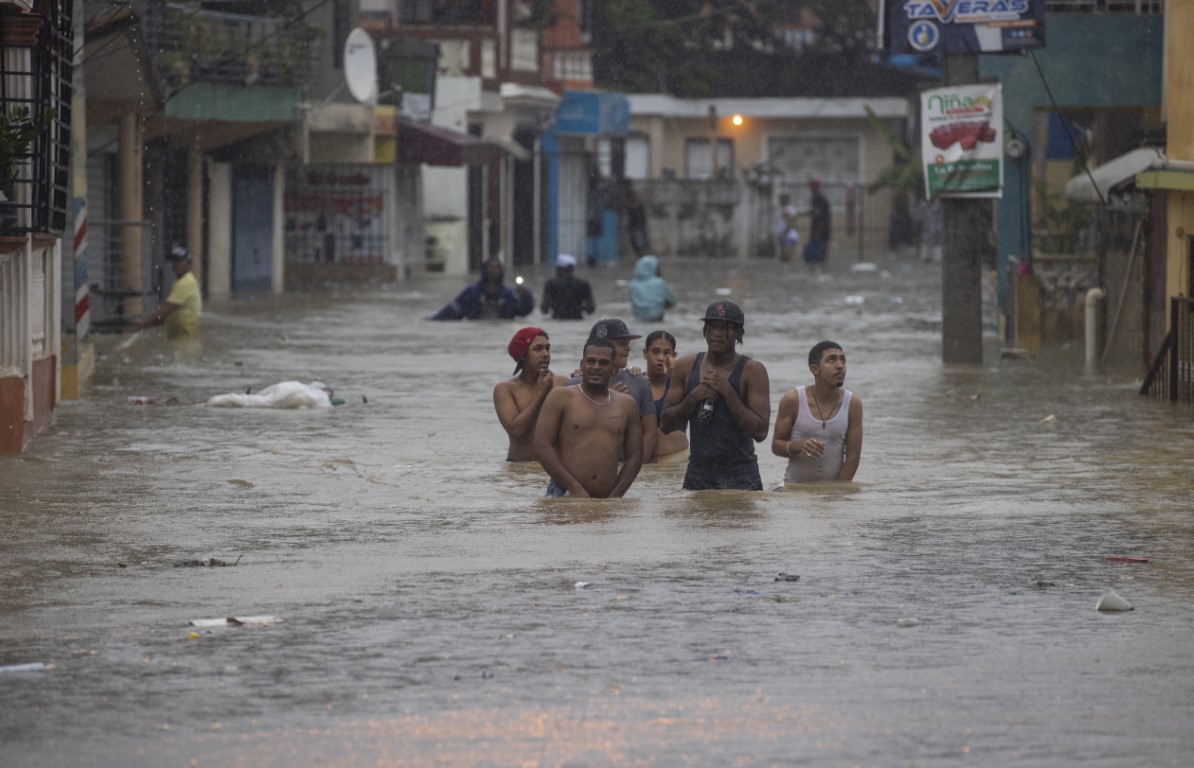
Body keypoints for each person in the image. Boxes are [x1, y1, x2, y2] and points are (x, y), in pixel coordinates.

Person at [660, 301, 771, 491]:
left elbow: (760, 432)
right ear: (705, 331)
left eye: (726, 328)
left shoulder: (752, 371)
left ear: (739, 333)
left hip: (741, 476)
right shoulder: (686, 366)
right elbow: (665, 424)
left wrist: (728, 393)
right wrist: (693, 398)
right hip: (698, 475)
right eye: (712, 327)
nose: (718, 333)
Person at [534, 337, 643, 498]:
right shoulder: (561, 397)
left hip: (607, 496)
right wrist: (574, 488)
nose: (596, 367)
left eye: (603, 363)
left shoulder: (627, 404)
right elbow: (541, 446)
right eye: (590, 361)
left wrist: (615, 496)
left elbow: (635, 456)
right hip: (564, 494)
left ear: (614, 369)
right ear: (581, 364)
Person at [771, 341, 863, 485]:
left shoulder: (853, 404)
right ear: (815, 369)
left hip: (833, 496)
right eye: (831, 360)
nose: (840, 366)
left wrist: (835, 492)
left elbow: (853, 458)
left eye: (842, 360)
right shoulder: (793, 399)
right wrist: (799, 446)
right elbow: (776, 446)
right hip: (794, 491)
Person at [570, 318, 658, 462]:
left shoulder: (639, 383)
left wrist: (639, 466)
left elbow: (649, 432)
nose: (628, 348)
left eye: (628, 344)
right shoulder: (573, 385)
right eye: (622, 344)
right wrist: (607, 400)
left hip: (626, 467)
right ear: (602, 346)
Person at [493, 327, 568, 462]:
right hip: (520, 469)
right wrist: (542, 395)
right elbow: (516, 431)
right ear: (523, 355)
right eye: (538, 349)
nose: (545, 354)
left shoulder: (563, 383)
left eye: (547, 348)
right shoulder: (505, 389)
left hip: (553, 470)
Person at [128, 245, 201, 340]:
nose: (176, 264)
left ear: (189, 263)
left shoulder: (185, 283)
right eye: (174, 260)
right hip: (180, 338)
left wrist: (136, 328)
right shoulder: (182, 281)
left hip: (184, 341)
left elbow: (162, 315)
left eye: (180, 260)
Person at [431, 256, 533, 320]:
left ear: (501, 271)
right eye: (490, 267)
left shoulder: (509, 294)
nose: (493, 271)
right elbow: (452, 311)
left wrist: (526, 295)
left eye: (497, 268)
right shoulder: (472, 292)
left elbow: (523, 312)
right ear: (485, 270)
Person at [642, 330, 688, 463]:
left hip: (676, 455)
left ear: (674, 356)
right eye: (655, 352)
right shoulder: (636, 383)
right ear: (645, 353)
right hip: (644, 457)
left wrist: (676, 373)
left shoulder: (683, 385)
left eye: (667, 353)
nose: (661, 358)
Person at [539, 253, 595, 320]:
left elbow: (545, 310)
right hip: (578, 320)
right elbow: (591, 309)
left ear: (559, 268)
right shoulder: (584, 284)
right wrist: (579, 307)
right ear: (572, 269)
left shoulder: (551, 284)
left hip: (557, 320)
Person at [628, 255, 677, 324]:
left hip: (639, 319)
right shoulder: (660, 282)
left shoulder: (632, 285)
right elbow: (672, 302)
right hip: (657, 319)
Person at [803, 180, 831, 266]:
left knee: (821, 255)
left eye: (813, 187)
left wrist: (819, 230)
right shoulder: (814, 200)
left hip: (822, 232)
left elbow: (824, 217)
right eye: (810, 187)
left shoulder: (823, 201)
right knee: (812, 255)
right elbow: (812, 212)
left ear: (817, 188)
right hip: (814, 230)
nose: (811, 189)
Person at [624, 181, 649, 257]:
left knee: (640, 241)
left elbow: (641, 216)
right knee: (635, 241)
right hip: (635, 225)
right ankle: (640, 254)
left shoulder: (639, 206)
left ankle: (641, 254)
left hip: (638, 225)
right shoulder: (632, 206)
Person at [775, 193, 799, 263]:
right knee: (787, 258)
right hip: (790, 236)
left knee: (786, 258)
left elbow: (789, 223)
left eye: (780, 200)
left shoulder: (786, 210)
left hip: (788, 236)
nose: (779, 202)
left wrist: (783, 234)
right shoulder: (790, 209)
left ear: (784, 200)